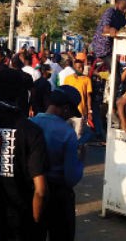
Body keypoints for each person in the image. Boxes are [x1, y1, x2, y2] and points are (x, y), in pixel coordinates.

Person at [0, 69, 49, 240]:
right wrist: (37, 223)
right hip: (23, 218)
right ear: (21, 95)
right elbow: (40, 190)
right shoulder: (32, 131)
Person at [31, 86, 86, 241]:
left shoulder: (30, 124)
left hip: (32, 192)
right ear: (66, 108)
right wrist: (81, 160)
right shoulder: (68, 134)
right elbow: (70, 178)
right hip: (58, 196)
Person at [90, 0, 126, 71]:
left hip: (111, 48)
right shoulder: (110, 12)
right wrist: (111, 29)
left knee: (117, 68)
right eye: (123, 8)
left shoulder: (121, 15)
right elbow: (106, 28)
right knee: (115, 69)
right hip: (102, 48)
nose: (125, 11)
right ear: (116, 5)